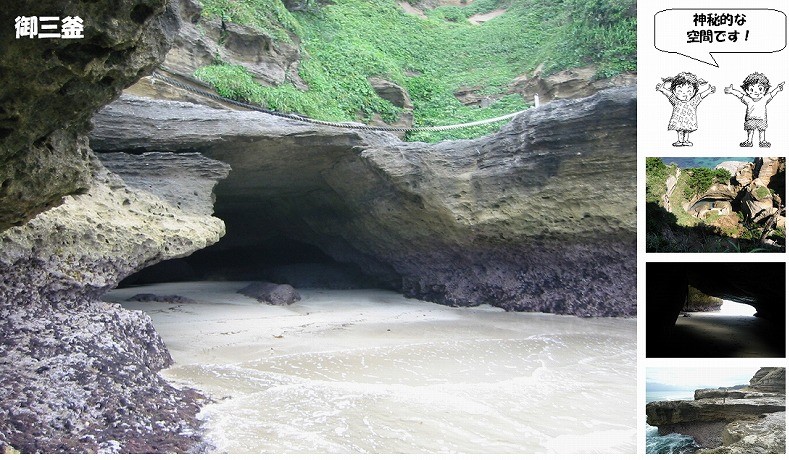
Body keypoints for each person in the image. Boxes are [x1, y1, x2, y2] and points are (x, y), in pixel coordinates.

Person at [724, 72, 784, 148]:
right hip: (750, 119)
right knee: (750, 130)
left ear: (765, 90)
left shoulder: (764, 99)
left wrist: (778, 89)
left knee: (762, 130)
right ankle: (749, 141)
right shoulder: (748, 99)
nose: (756, 92)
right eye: (752, 89)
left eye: (760, 89)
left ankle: (762, 141)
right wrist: (732, 91)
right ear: (747, 91)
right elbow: (740, 95)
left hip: (761, 119)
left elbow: (772, 93)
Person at [656, 72, 715, 147]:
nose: (685, 94)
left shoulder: (693, 101)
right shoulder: (676, 101)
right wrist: (662, 89)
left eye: (689, 92)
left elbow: (701, 95)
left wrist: (709, 91)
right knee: (680, 130)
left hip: (688, 120)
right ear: (674, 91)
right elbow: (669, 94)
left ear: (694, 91)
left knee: (687, 130)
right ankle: (680, 141)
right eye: (680, 91)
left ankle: (686, 140)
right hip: (679, 120)